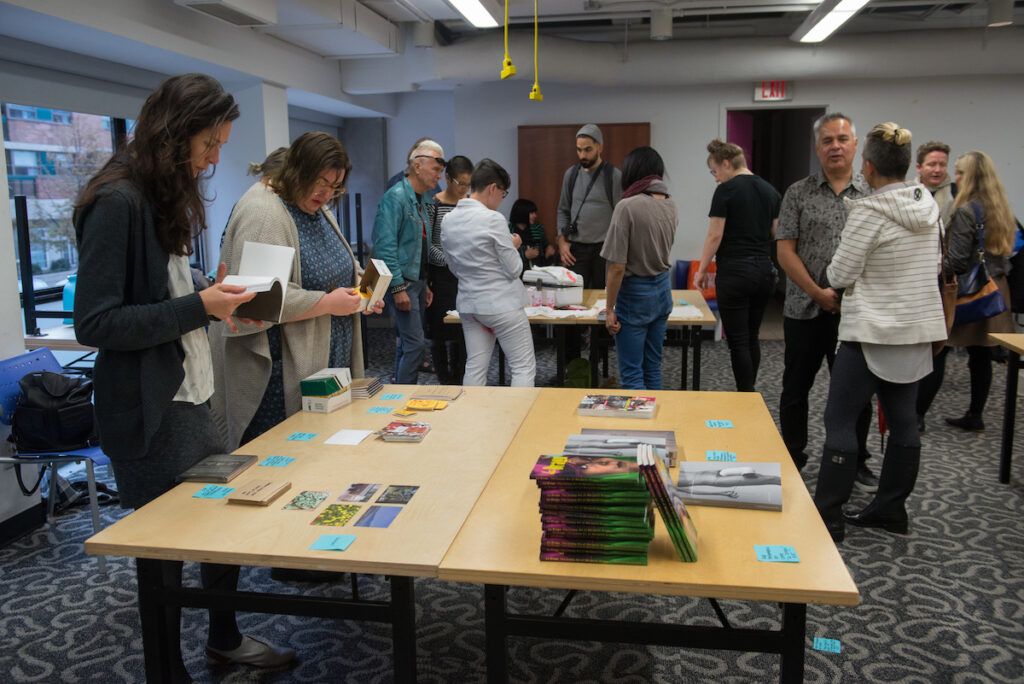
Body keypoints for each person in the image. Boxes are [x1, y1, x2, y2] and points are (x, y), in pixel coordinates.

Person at [72, 73, 293, 679]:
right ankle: (165, 670)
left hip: (191, 393)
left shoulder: (158, 195)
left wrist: (211, 292)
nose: (215, 159)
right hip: (149, 408)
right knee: (162, 553)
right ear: (175, 135)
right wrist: (200, 306)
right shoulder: (116, 201)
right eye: (209, 145)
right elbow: (96, 322)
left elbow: (161, 288)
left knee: (218, 522)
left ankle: (224, 638)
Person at [814, 122, 946, 542]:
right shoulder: (928, 205)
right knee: (905, 422)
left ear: (867, 167)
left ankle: (829, 516)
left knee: (840, 420)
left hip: (868, 331)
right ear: (909, 166)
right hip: (915, 331)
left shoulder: (868, 212)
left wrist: (835, 278)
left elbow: (840, 272)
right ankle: (891, 510)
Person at [210, 131, 379, 450]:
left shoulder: (312, 203)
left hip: (323, 360)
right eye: (320, 182)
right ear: (296, 170)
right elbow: (258, 299)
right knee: (284, 458)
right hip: (277, 372)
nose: (326, 193)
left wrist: (361, 287)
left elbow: (337, 261)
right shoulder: (264, 212)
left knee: (319, 458)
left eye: (334, 186)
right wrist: (327, 302)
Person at [775, 112, 878, 490]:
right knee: (794, 389)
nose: (835, 146)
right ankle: (792, 455)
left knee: (856, 394)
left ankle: (856, 461)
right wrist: (817, 292)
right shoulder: (798, 193)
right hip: (804, 309)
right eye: (828, 140)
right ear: (817, 148)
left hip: (855, 312)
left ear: (855, 145)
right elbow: (785, 250)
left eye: (842, 138)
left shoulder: (872, 194)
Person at [441, 159, 536, 387]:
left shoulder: (448, 219)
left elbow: (453, 267)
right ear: (493, 188)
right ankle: (519, 421)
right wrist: (513, 246)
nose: (501, 201)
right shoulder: (493, 219)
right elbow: (514, 269)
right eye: (503, 194)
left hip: (469, 304)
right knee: (522, 367)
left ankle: (472, 421)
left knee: (475, 366)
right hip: (501, 305)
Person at [695, 139, 780, 392]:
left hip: (734, 271)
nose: (716, 178)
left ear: (726, 163)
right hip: (764, 270)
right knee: (752, 337)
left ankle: (745, 394)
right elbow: (774, 233)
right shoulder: (771, 191)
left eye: (715, 171)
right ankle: (749, 390)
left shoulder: (726, 190)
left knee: (738, 341)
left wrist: (701, 270)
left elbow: (715, 235)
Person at [941, 151, 1016, 432]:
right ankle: (975, 413)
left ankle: (916, 414)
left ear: (969, 177)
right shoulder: (1001, 207)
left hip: (972, 291)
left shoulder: (966, 210)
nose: (955, 177)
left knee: (941, 349)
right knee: (981, 355)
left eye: (959, 172)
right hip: (997, 289)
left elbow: (958, 260)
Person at [601, 146, 676, 390]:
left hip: (634, 294)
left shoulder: (628, 206)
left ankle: (639, 428)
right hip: (663, 290)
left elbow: (617, 268)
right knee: (652, 366)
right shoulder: (670, 204)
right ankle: (656, 425)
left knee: (632, 373)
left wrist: (609, 308)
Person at [373, 139, 445, 384]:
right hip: (401, 282)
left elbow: (420, 245)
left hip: (416, 281)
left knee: (407, 342)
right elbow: (385, 246)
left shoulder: (424, 199)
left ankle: (397, 395)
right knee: (415, 344)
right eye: (436, 169)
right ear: (417, 166)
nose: (439, 176)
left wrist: (424, 284)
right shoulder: (395, 197)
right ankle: (404, 396)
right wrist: (398, 287)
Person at [557, 124, 622, 361]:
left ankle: (601, 360)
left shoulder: (613, 176)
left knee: (604, 305)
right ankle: (572, 360)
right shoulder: (571, 174)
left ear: (599, 147)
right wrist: (563, 242)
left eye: (587, 149)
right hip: (576, 250)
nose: (582, 155)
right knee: (572, 306)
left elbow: (620, 215)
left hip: (604, 251)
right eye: (578, 150)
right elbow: (562, 211)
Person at [914, 140, 957, 431]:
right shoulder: (908, 195)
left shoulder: (955, 199)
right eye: (932, 164)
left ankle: (918, 413)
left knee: (938, 348)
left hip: (941, 284)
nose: (937, 169)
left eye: (942, 164)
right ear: (919, 167)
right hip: (911, 285)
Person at [425, 154, 473, 384]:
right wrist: (450, 261)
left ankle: (461, 376)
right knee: (441, 332)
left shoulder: (469, 204)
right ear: (447, 178)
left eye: (467, 184)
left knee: (464, 332)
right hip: (442, 277)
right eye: (459, 183)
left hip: (465, 277)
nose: (464, 188)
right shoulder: (434, 203)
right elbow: (429, 245)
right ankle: (445, 379)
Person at [509, 198, 555, 268]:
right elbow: (506, 254)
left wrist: (549, 248)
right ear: (522, 212)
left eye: (535, 213)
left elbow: (545, 244)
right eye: (532, 213)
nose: (535, 216)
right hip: (517, 270)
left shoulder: (537, 227)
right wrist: (525, 255)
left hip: (537, 269)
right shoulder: (509, 229)